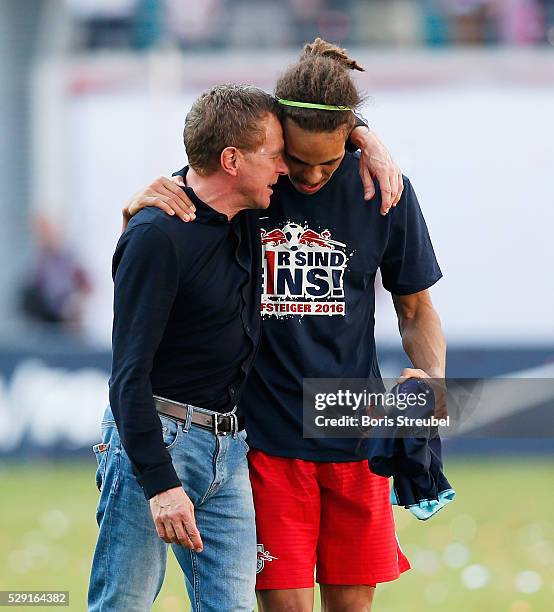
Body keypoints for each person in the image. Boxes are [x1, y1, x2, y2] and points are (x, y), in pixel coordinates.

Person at [126, 39, 446, 612]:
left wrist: (430, 386)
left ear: (351, 137)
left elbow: (416, 310)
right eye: (298, 162)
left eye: (330, 162)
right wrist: (136, 204)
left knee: (352, 606)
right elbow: (181, 204)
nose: (312, 176)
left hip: (355, 428)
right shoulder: (256, 183)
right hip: (267, 439)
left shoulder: (384, 190)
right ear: (275, 139)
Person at [88, 84, 287, 612]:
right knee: (122, 605)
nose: (283, 168)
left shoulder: (247, 212)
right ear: (231, 160)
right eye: (273, 156)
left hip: (229, 446)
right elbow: (127, 377)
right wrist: (160, 484)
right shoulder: (156, 235)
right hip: (158, 441)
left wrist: (370, 142)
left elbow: (322, 129)